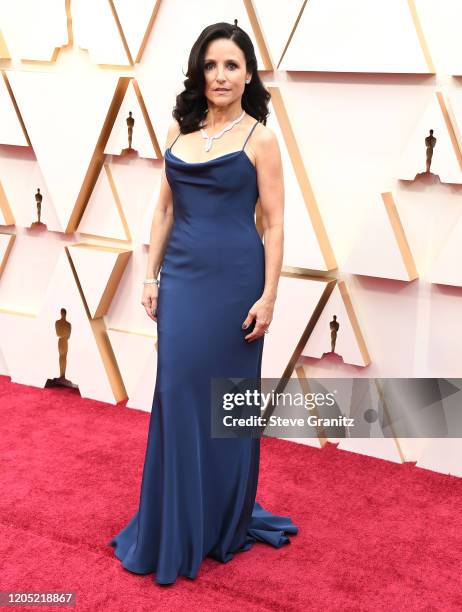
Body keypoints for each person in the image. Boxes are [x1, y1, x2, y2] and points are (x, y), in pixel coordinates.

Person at [108, 19, 298, 586]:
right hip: (185, 280)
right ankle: (176, 519)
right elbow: (164, 210)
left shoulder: (259, 137)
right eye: (212, 65)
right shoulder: (177, 130)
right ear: (199, 71)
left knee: (228, 406)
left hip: (236, 281)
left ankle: (221, 519)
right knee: (177, 392)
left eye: (232, 65)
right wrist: (150, 276)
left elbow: (277, 222)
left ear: (247, 75)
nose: (220, 75)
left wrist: (269, 295)